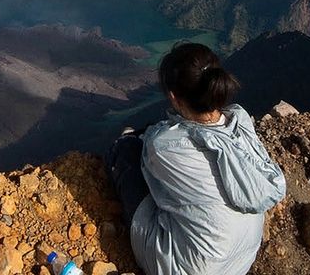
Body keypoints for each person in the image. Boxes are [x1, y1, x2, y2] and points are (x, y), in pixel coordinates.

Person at [104, 42, 286, 275]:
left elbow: (150, 166)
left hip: (188, 268)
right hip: (241, 261)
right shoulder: (241, 120)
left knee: (125, 149)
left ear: (173, 97)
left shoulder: (164, 145)